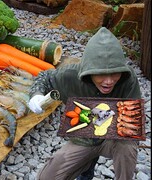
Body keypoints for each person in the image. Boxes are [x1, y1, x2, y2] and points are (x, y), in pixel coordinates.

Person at [28, 27, 141, 180]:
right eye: (101, 74)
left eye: (115, 73)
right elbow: (45, 77)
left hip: (115, 139)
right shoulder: (70, 75)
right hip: (84, 139)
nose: (108, 81)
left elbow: (133, 123)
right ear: (89, 70)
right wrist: (36, 95)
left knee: (127, 147)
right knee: (46, 177)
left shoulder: (128, 79)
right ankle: (86, 166)